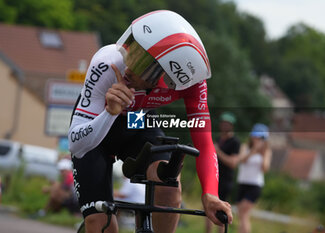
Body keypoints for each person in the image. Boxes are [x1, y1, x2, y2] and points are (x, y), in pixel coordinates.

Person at [68, 10, 233, 233]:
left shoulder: (193, 83)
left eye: (142, 62)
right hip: (98, 123)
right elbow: (76, 145)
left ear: (168, 77)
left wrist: (210, 194)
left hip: (137, 120)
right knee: (102, 224)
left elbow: (204, 143)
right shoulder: (108, 62)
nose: (129, 63)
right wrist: (109, 113)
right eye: (133, 50)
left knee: (169, 184)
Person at [206, 112, 240, 233]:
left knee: (221, 211)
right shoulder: (218, 139)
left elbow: (233, 163)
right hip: (213, 178)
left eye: (227, 123)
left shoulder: (235, 142)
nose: (224, 125)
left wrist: (218, 151)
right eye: (223, 123)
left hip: (225, 181)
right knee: (208, 208)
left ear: (231, 125)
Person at [236, 123, 272, 233]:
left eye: (260, 137)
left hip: (255, 185)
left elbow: (265, 168)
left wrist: (261, 153)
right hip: (242, 182)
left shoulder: (266, 151)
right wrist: (253, 151)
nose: (256, 139)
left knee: (244, 213)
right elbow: (242, 160)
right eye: (255, 136)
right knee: (241, 215)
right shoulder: (245, 147)